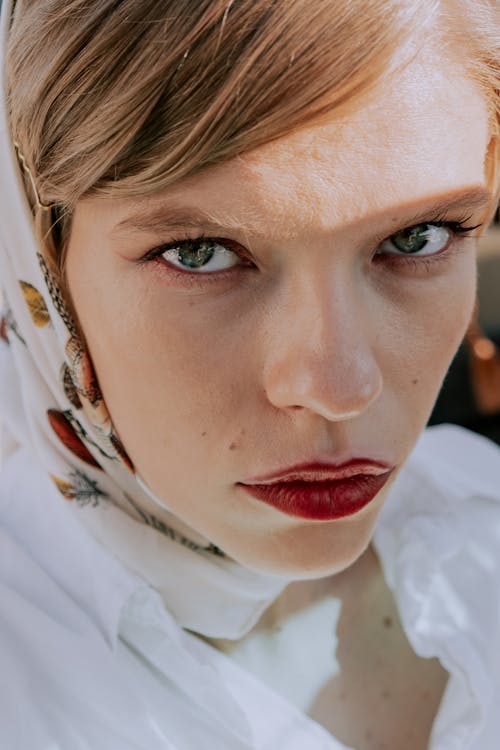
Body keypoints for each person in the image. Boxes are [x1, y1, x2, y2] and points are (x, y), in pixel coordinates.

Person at [0, 0, 499, 748]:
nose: (337, 386)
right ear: (42, 265)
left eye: (417, 236)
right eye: (199, 252)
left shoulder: (482, 515)